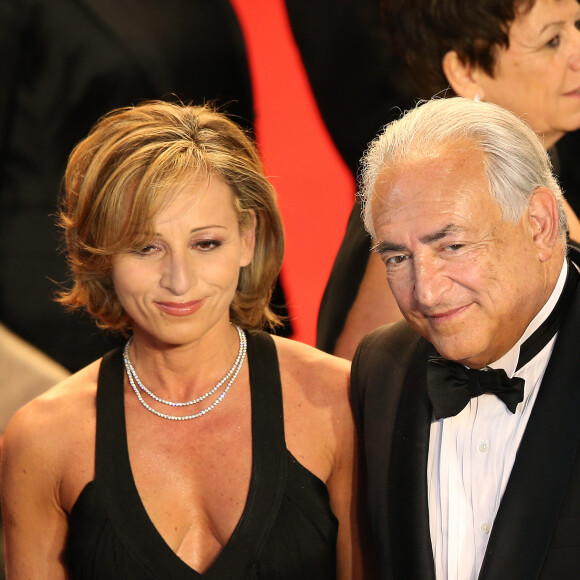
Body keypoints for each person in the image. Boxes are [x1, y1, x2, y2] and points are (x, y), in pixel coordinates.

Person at [0, 101, 366, 578]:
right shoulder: (43, 441)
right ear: (100, 253)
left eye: (206, 244)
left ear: (248, 238)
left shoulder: (336, 402)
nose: (179, 280)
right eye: (146, 247)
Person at [352, 96, 580, 579]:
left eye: (452, 246)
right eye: (397, 258)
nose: (427, 292)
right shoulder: (381, 369)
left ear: (539, 223)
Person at [317, 0, 580, 360]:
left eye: (578, 25)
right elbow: (359, 388)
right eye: (552, 40)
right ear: (466, 72)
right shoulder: (420, 198)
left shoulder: (532, 166)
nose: (577, 54)